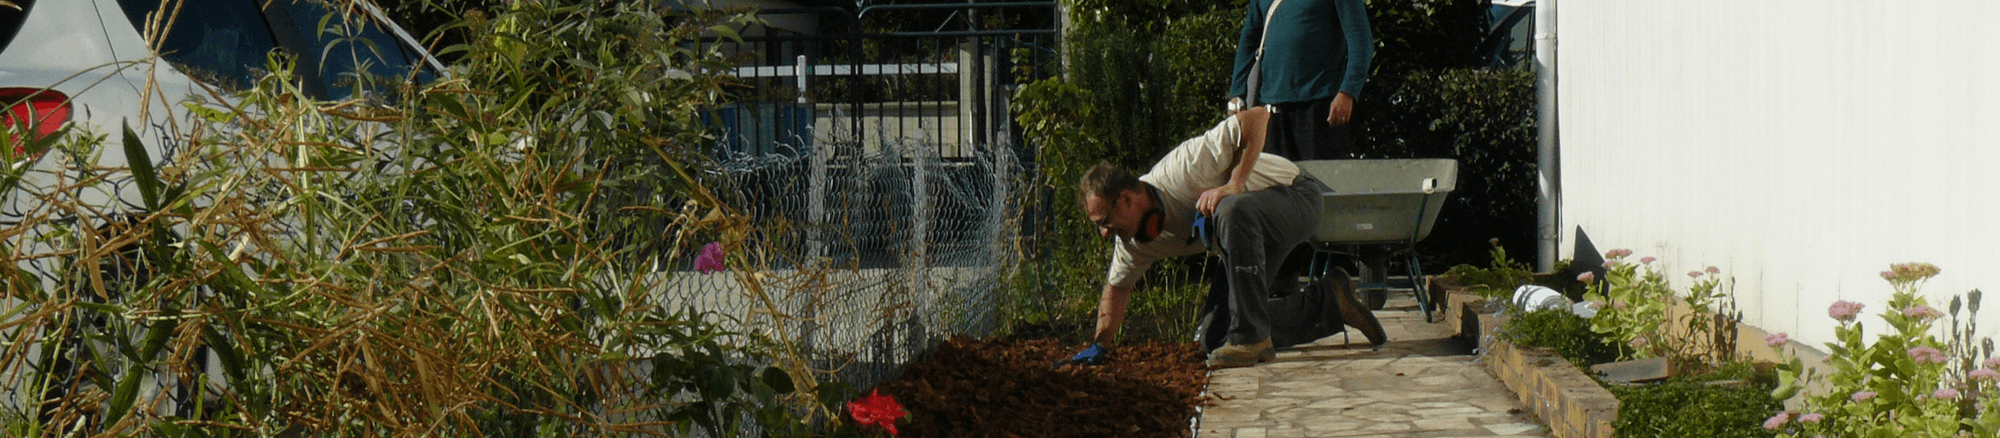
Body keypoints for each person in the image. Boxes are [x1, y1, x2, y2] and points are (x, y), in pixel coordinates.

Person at [1056, 108, 1384, 369]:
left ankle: (1250, 339)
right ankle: (1331, 301)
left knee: (1229, 208)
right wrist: (1099, 345)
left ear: (1127, 199)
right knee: (1215, 339)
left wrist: (1235, 183)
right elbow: (1117, 287)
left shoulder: (1183, 169)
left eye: (1104, 220)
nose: (1104, 231)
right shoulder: (1131, 242)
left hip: (1296, 197)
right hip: (1247, 235)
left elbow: (1257, 117)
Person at [1227, 0, 1374, 161]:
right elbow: (1248, 40)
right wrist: (1237, 94)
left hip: (1320, 108)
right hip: (1270, 111)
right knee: (1272, 183)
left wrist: (1348, 91)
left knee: (1320, 182)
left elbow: (1360, 40)